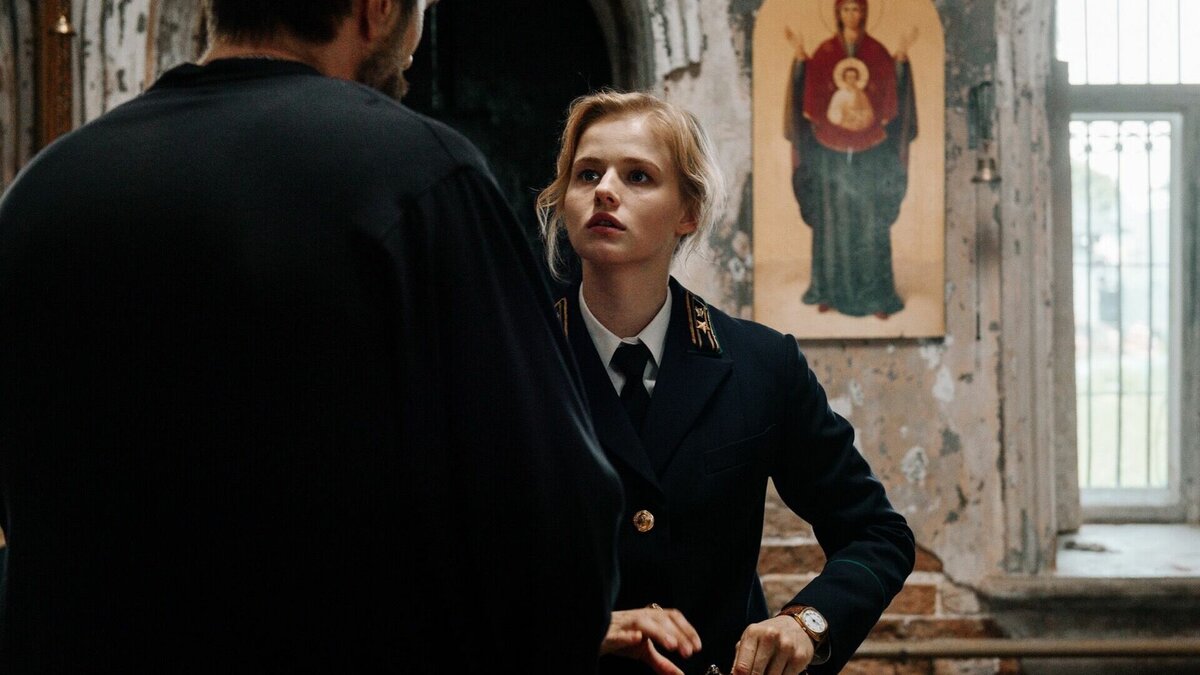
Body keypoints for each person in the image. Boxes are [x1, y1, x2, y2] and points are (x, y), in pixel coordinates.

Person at [0, 1, 623, 671]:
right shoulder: (418, 174)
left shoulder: (40, 195)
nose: (418, 39)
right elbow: (553, 534)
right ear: (375, 10)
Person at [536, 90, 914, 675]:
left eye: (638, 176)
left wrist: (808, 622)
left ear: (688, 213)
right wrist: (580, 627)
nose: (605, 190)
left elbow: (877, 532)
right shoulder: (511, 360)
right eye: (588, 174)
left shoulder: (761, 365)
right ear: (564, 201)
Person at [783, 0, 918, 319]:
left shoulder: (877, 52)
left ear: (865, 13)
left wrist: (900, 60)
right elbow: (810, 97)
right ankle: (830, 291)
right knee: (833, 221)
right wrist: (800, 59)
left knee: (870, 221)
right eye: (845, 10)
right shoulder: (826, 52)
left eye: (856, 9)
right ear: (837, 14)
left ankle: (876, 296)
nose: (851, 15)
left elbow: (891, 98)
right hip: (829, 151)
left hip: (871, 151)